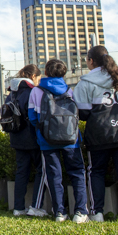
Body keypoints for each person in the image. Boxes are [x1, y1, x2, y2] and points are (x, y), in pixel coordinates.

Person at [74, 45, 118, 227]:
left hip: (99, 135)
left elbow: (83, 113)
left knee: (96, 172)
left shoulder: (85, 82)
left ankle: (97, 213)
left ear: (91, 61)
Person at [28, 59, 88, 223]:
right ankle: (81, 212)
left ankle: (60, 212)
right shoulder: (70, 90)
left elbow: (32, 117)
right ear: (64, 73)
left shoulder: (36, 91)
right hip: (71, 139)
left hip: (46, 140)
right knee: (77, 173)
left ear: (46, 72)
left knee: (54, 175)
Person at [8, 65, 48, 217]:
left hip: (16, 137)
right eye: (38, 78)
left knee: (21, 172)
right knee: (41, 170)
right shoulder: (33, 91)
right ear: (33, 76)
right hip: (32, 137)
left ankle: (18, 207)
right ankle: (36, 206)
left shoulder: (12, 92)